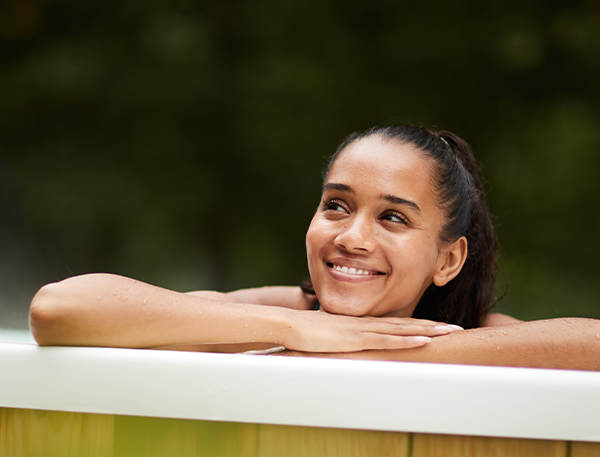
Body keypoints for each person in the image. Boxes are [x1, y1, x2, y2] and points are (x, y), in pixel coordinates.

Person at [29, 125, 600, 370]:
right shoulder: (286, 315)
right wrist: (295, 330)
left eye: (394, 217)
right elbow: (59, 309)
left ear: (448, 259)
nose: (352, 237)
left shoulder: (471, 334)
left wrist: (385, 351)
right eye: (337, 205)